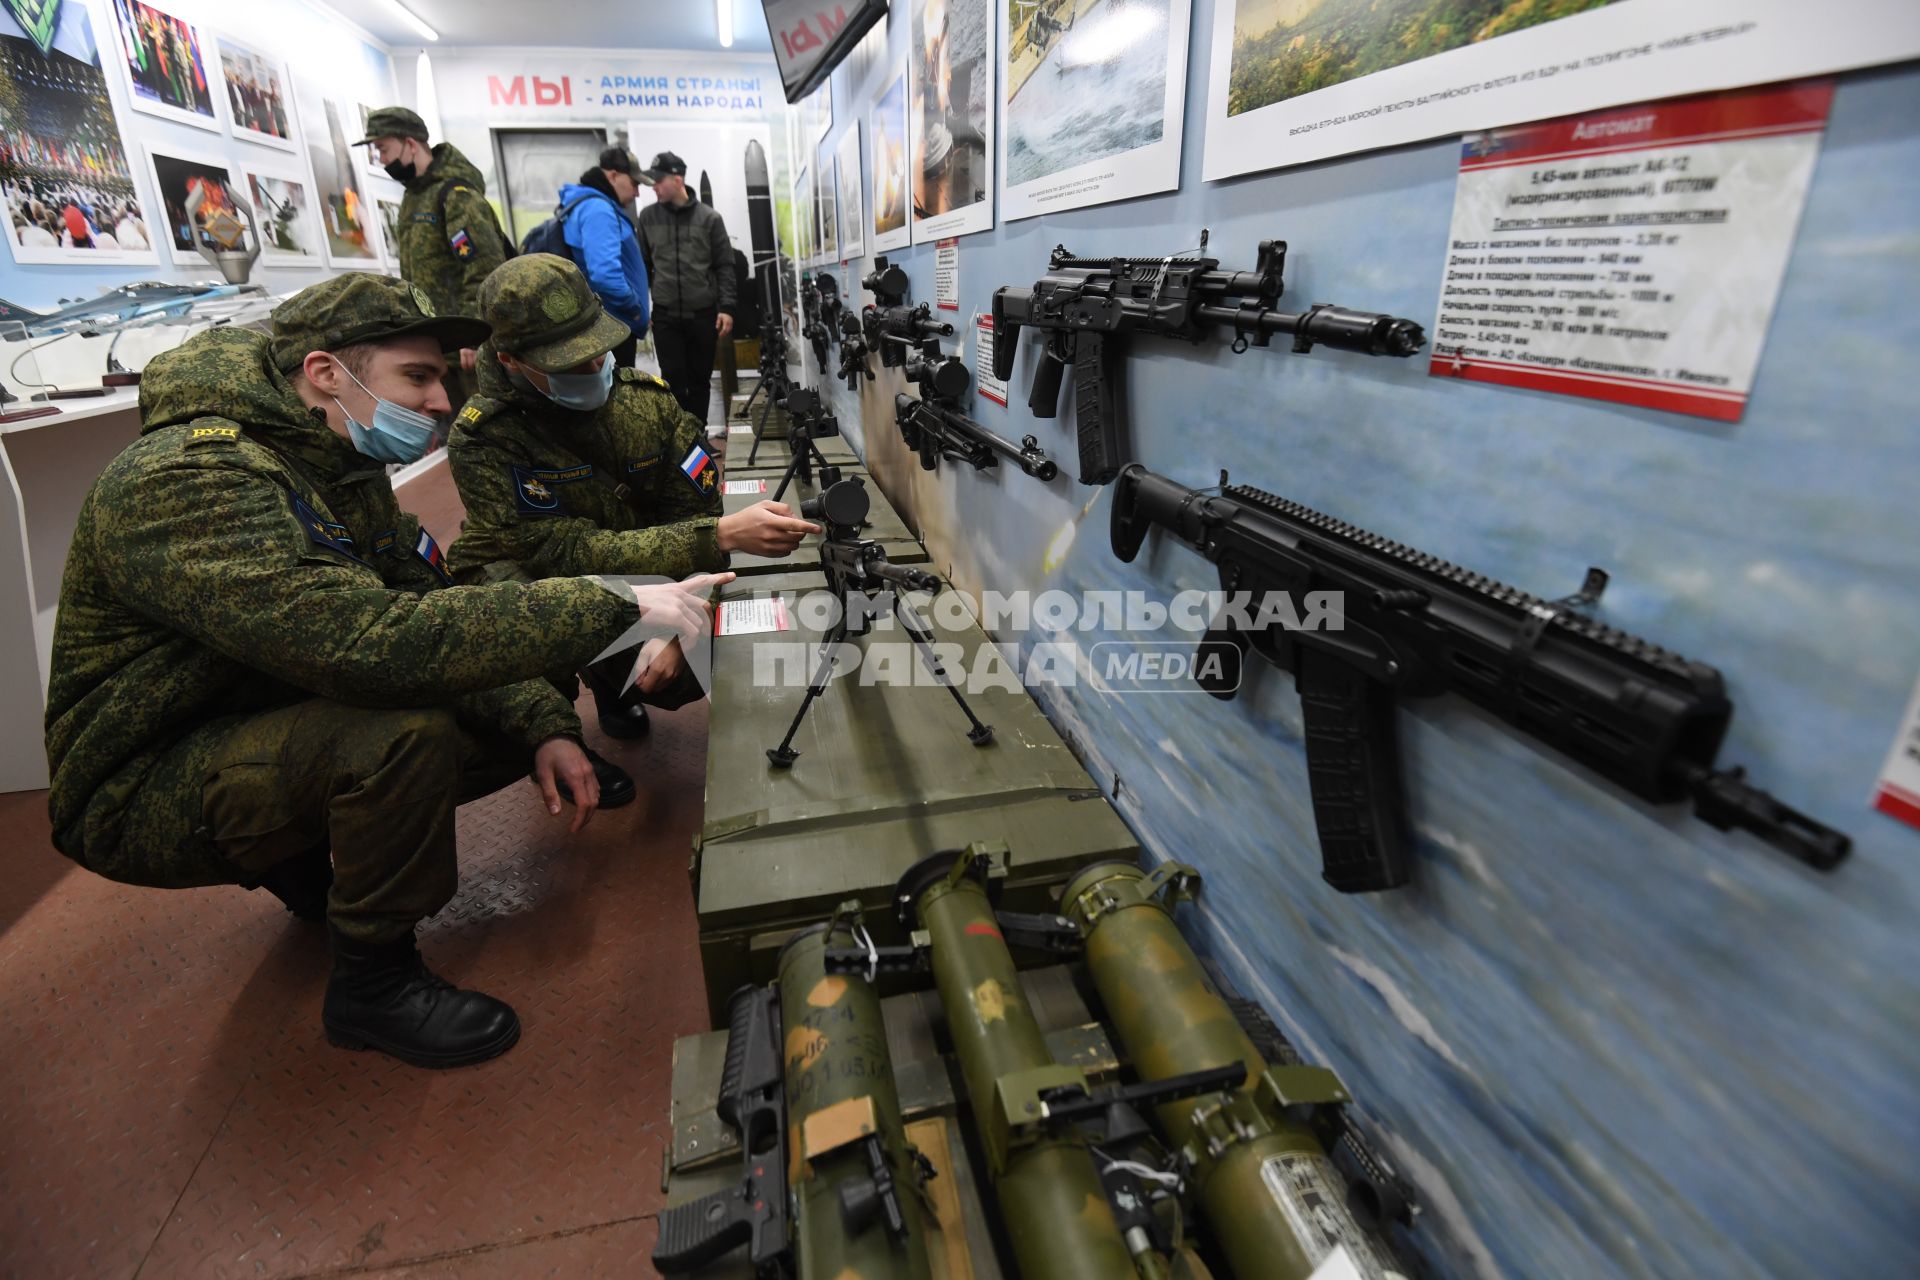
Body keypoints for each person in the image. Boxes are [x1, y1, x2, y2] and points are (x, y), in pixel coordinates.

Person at [43, 273, 729, 1069]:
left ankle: (302, 863)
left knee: (514, 709)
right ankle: (373, 983)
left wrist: (545, 728)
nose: (443, 398)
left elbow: (423, 597)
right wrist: (620, 601)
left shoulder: (331, 466)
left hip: (254, 715)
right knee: (402, 732)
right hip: (143, 779)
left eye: (441, 375)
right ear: (327, 372)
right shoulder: (189, 482)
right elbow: (370, 644)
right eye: (419, 377)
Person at [446, 255, 815, 745]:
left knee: (684, 667)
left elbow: (696, 517)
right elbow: (558, 553)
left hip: (646, 562)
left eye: (598, 347)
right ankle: (550, 739)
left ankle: (611, 684)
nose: (595, 366)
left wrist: (687, 620)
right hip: (544, 581)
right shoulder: (483, 439)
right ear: (511, 360)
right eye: (569, 362)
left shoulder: (648, 404)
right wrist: (717, 536)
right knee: (518, 638)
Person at [355, 106, 512, 405]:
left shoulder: (456, 196)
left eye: (383, 149)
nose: (382, 159)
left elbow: (483, 269)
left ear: (410, 144)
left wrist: (472, 334)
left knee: (485, 426)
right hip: (438, 347)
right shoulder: (415, 197)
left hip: (467, 349)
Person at [636, 150, 737, 421]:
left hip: (703, 315)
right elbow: (642, 266)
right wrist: (641, 308)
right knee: (672, 383)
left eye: (658, 181)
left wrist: (726, 307)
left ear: (677, 179)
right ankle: (679, 445)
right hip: (666, 316)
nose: (654, 187)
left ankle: (699, 439)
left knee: (700, 382)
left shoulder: (709, 219)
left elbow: (725, 265)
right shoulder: (647, 218)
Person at [556, 147, 651, 368]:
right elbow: (605, 274)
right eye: (635, 184)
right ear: (613, 175)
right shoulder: (599, 210)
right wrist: (634, 308)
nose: (637, 193)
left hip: (607, 324)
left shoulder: (589, 205)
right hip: (612, 329)